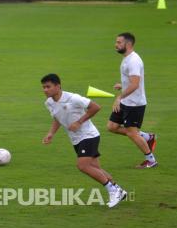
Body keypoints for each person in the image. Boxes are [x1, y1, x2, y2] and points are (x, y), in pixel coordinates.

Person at [41, 74, 127, 208]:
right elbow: (57, 118)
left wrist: (79, 122)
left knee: (82, 165)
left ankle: (113, 191)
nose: (45, 90)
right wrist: (51, 133)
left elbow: (95, 107)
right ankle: (118, 189)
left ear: (58, 86)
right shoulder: (49, 103)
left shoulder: (73, 98)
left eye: (48, 86)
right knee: (96, 168)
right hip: (76, 140)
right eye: (43, 87)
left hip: (88, 135)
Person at [107, 32, 157, 169]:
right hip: (126, 102)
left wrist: (119, 97)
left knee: (131, 133)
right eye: (116, 42)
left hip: (134, 104)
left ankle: (151, 160)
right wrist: (122, 85)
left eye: (119, 42)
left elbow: (135, 84)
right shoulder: (127, 58)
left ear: (128, 44)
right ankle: (147, 137)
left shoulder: (133, 60)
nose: (115, 45)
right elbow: (137, 78)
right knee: (112, 127)